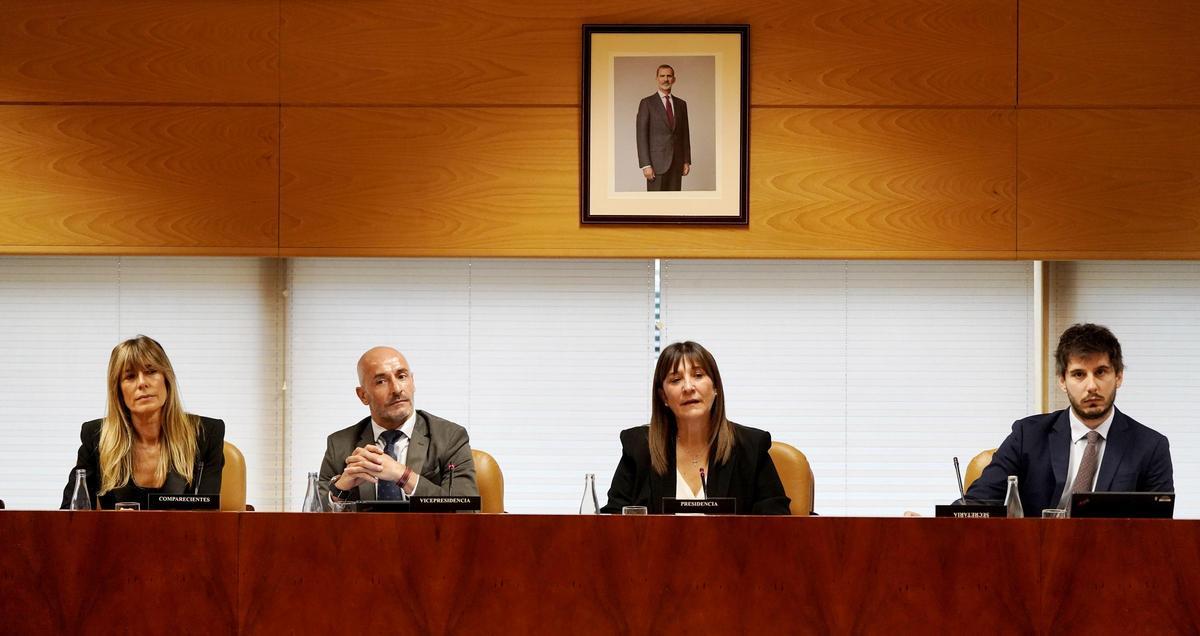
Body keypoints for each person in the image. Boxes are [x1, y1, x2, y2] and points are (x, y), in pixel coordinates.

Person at [964, 323, 1173, 512]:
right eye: (1079, 374)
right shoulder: (1027, 435)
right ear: (1062, 381)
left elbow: (1158, 531)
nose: (1091, 386)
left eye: (1101, 372)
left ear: (1118, 376)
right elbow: (978, 504)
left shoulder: (1151, 447)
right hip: (1037, 542)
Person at [602, 341, 790, 514]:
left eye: (698, 375)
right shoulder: (639, 448)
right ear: (663, 396)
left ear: (715, 387)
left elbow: (777, 524)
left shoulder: (750, 447)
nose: (688, 387)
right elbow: (613, 521)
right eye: (676, 380)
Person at [60, 335, 224, 509]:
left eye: (151, 371)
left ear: (166, 379)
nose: (142, 383)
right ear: (118, 390)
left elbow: (207, 516)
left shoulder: (206, 434)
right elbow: (71, 513)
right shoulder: (96, 436)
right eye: (130, 376)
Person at [320, 346, 477, 507]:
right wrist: (339, 491)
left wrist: (403, 475)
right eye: (381, 381)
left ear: (412, 382)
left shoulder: (450, 437)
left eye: (402, 376)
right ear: (363, 395)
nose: (396, 389)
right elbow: (313, 512)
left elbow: (466, 509)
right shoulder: (339, 444)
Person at [636, 64, 691, 192]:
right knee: (656, 202)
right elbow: (641, 136)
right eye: (662, 76)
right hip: (656, 165)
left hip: (677, 164)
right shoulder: (647, 103)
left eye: (669, 76)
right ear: (657, 78)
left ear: (674, 79)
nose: (666, 79)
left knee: (674, 202)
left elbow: (685, 134)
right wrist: (646, 165)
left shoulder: (681, 104)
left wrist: (686, 161)